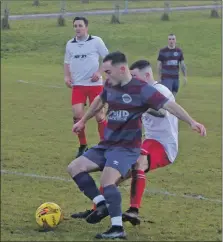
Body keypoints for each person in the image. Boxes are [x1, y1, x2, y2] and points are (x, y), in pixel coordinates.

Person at [67, 51, 206, 239]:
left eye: (108, 71)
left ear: (122, 69)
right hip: (110, 143)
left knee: (112, 178)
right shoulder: (111, 84)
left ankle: (122, 221)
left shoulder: (145, 90)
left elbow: (168, 107)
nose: (105, 76)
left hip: (138, 146)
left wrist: (192, 122)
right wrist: (83, 120)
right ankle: (100, 205)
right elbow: (100, 99)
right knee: (76, 167)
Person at [122, 60, 178, 225]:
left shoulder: (160, 90)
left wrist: (141, 106)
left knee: (139, 161)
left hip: (165, 145)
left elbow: (161, 112)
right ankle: (97, 207)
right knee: (117, 172)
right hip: (149, 142)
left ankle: (133, 210)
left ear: (147, 75)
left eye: (134, 76)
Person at [64, 16, 109, 158]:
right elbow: (67, 62)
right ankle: (83, 145)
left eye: (80, 25)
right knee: (77, 114)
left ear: (86, 27)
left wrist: (99, 72)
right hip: (78, 85)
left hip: (95, 85)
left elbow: (108, 59)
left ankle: (104, 144)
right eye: (75, 26)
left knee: (99, 115)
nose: (77, 28)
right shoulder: (70, 44)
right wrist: (66, 76)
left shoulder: (96, 41)